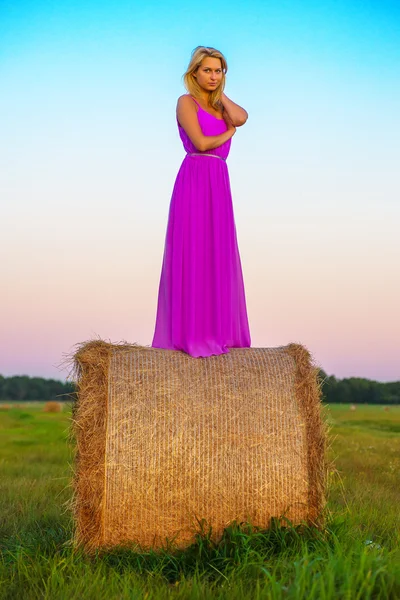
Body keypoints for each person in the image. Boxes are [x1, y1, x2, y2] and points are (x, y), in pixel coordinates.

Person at [151, 46, 251, 358]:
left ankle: (219, 333)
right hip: (195, 177)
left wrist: (220, 97)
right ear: (194, 73)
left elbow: (242, 117)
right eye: (207, 70)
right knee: (194, 253)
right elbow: (202, 142)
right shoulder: (186, 102)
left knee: (218, 255)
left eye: (218, 71)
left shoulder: (220, 106)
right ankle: (191, 335)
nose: (213, 76)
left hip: (219, 182)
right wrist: (229, 133)